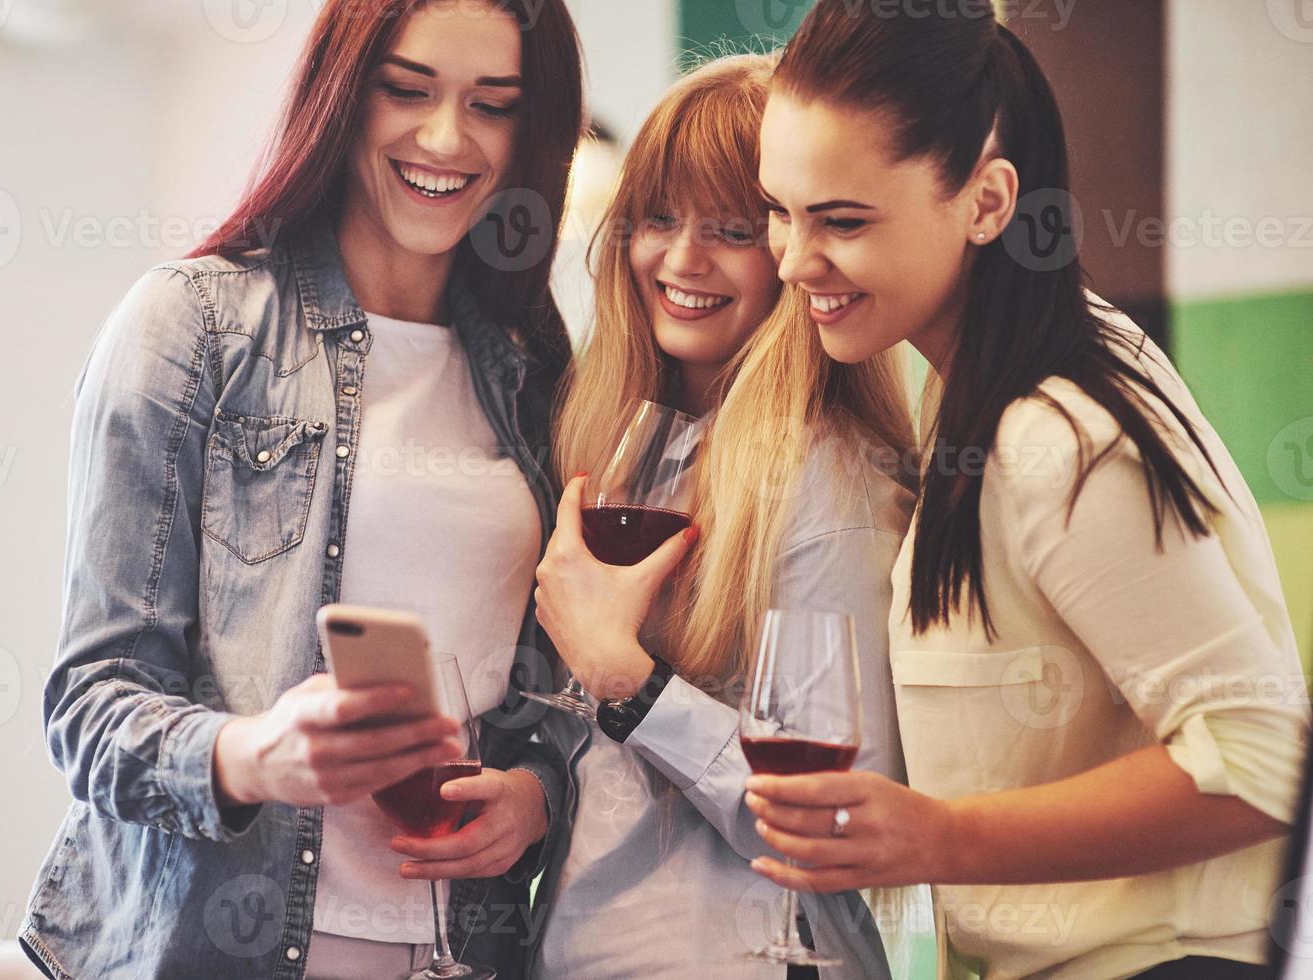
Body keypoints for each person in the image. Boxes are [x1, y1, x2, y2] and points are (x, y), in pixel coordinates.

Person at [16, 1, 584, 977]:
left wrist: (535, 792)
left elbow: (548, 689)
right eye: (406, 90)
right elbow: (90, 704)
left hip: (461, 948)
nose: (446, 138)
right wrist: (251, 754)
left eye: (492, 106)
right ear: (340, 92)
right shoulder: (191, 326)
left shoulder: (531, 367)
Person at [746, 3, 1309, 978]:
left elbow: (1261, 754)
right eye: (778, 210)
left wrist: (939, 837)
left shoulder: (1051, 432)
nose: (793, 259)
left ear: (987, 202)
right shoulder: (981, 383)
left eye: (841, 220)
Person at [526, 53, 923, 979]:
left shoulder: (833, 480)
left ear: (791, 252)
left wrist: (632, 684)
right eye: (659, 218)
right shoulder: (632, 446)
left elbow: (835, 817)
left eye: (732, 229)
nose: (682, 258)